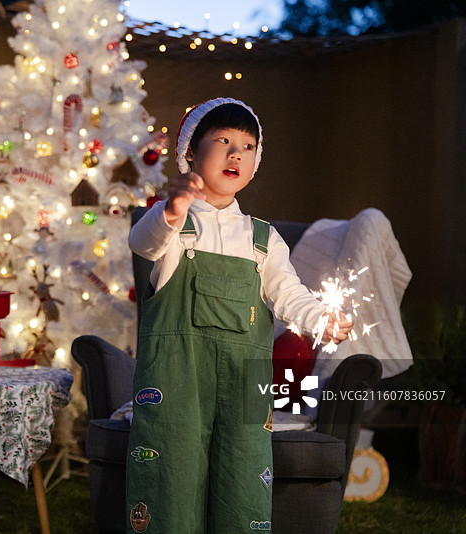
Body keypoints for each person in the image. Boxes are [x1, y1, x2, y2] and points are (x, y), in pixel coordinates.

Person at [125, 98, 352, 534]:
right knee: (170, 483)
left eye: (248, 146)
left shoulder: (264, 240)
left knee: (244, 484)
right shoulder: (173, 223)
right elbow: (143, 242)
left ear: (255, 162)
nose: (235, 154)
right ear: (190, 151)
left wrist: (320, 319)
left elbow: (290, 295)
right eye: (223, 140)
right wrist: (172, 209)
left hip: (245, 385)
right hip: (175, 381)